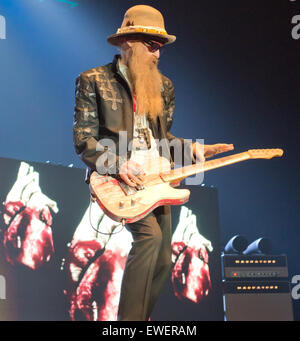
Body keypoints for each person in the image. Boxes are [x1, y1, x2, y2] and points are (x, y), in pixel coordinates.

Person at [73, 4, 233, 321]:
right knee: (150, 237)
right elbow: (84, 140)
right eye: (151, 46)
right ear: (127, 43)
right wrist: (117, 164)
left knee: (162, 259)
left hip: (156, 180)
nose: (157, 55)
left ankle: (137, 319)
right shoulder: (93, 80)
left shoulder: (164, 87)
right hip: (118, 178)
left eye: (160, 48)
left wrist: (196, 149)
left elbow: (163, 139)